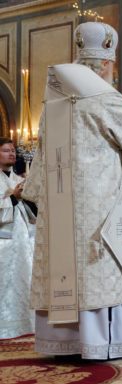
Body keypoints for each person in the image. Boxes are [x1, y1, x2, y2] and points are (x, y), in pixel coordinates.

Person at [22, 22, 122, 359]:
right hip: (100, 206)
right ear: (107, 63)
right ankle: (99, 343)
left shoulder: (54, 99)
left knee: (67, 266)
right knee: (100, 270)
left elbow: (40, 154)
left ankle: (62, 343)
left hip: (61, 204)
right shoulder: (105, 97)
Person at [0, 138, 36, 339]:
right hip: (4, 243)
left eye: (13, 150)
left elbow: (32, 212)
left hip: (23, 241)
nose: (12, 153)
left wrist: (29, 196)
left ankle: (27, 323)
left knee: (25, 280)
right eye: (6, 150)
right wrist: (13, 197)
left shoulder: (18, 179)